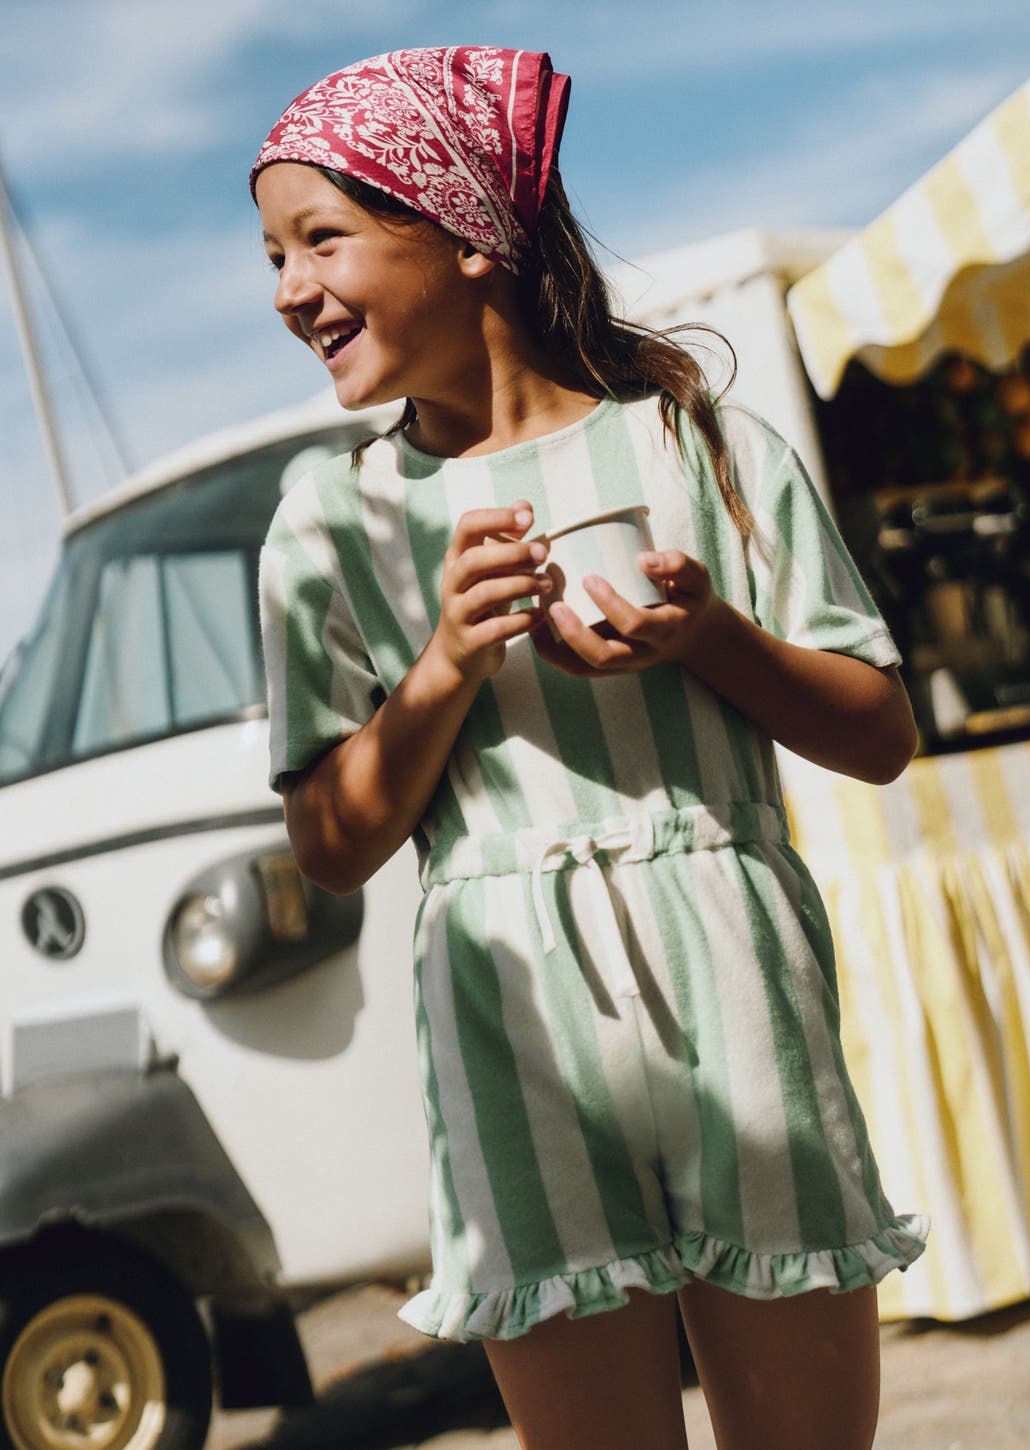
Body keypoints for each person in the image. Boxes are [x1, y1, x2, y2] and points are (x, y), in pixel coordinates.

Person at [252, 45, 928, 1450]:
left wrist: (714, 642)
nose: (289, 291)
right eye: (273, 255)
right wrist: (439, 668)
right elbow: (330, 846)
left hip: (744, 998)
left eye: (323, 238)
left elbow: (881, 736)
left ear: (471, 234)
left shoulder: (701, 443)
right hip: (515, 1042)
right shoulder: (332, 524)